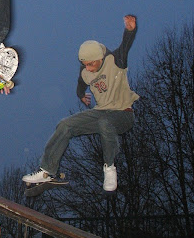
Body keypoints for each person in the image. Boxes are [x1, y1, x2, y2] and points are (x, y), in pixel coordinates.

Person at [23, 15, 139, 192]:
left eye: (91, 64)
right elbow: (80, 83)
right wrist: (80, 95)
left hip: (123, 113)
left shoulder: (115, 60)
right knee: (65, 125)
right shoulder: (85, 71)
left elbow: (126, 45)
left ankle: (109, 168)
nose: (89, 68)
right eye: (85, 65)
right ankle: (47, 171)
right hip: (101, 112)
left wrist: (130, 30)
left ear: (100, 58)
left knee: (105, 123)